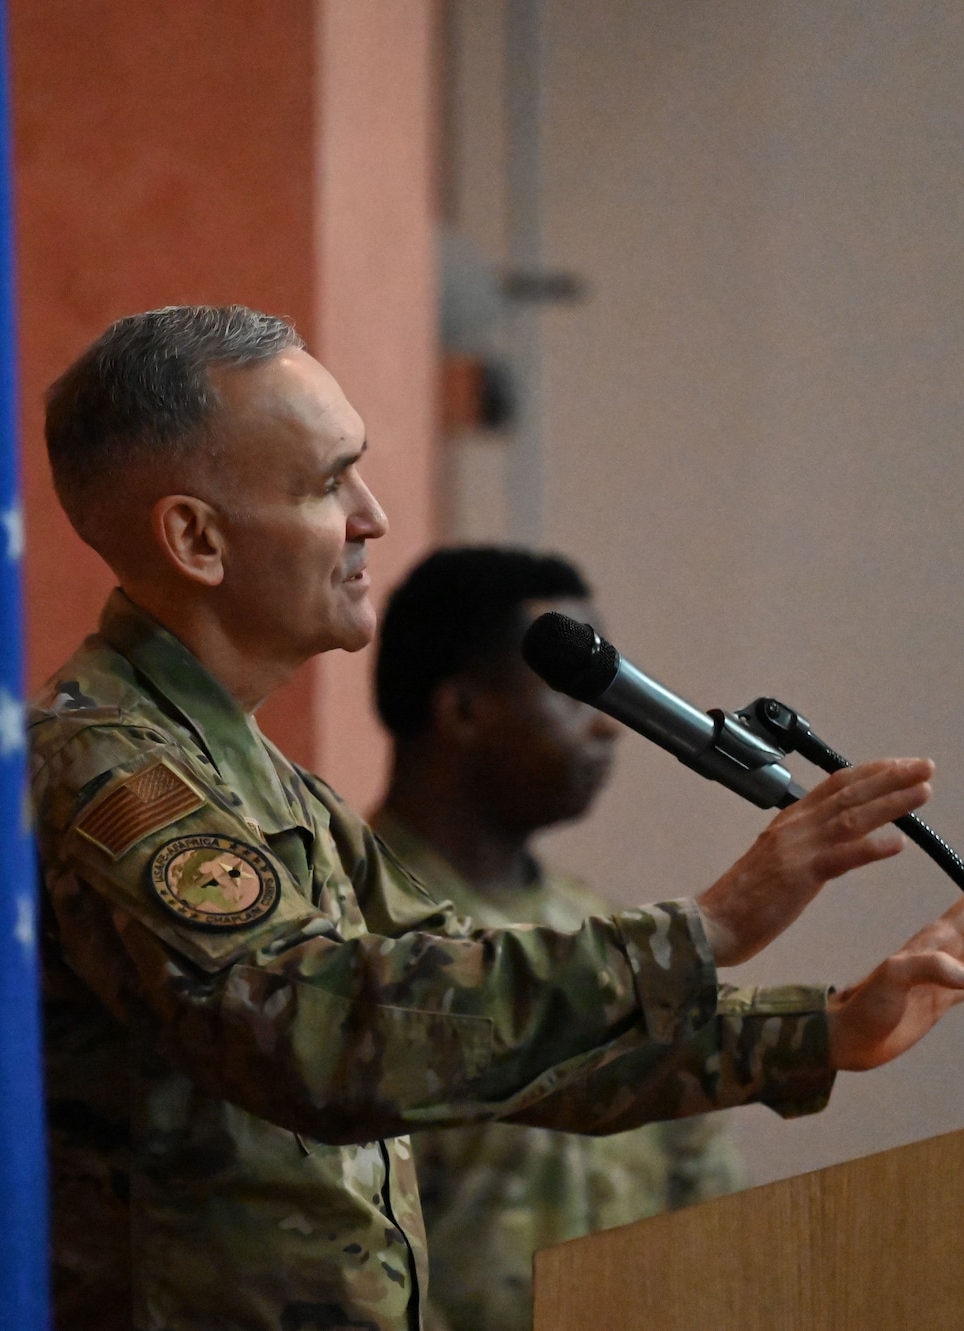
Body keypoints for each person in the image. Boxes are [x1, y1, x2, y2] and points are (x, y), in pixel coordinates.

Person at [29, 305, 964, 1331]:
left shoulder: (258, 779)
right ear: (196, 537)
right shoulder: (109, 768)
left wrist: (814, 1031)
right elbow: (308, 1032)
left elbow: (475, 1037)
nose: (371, 516)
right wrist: (704, 929)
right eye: (328, 482)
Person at [372, 546, 741, 1331]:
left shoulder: (612, 935)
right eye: (575, 694)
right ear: (465, 708)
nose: (608, 728)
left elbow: (706, 1199)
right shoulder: (348, 941)